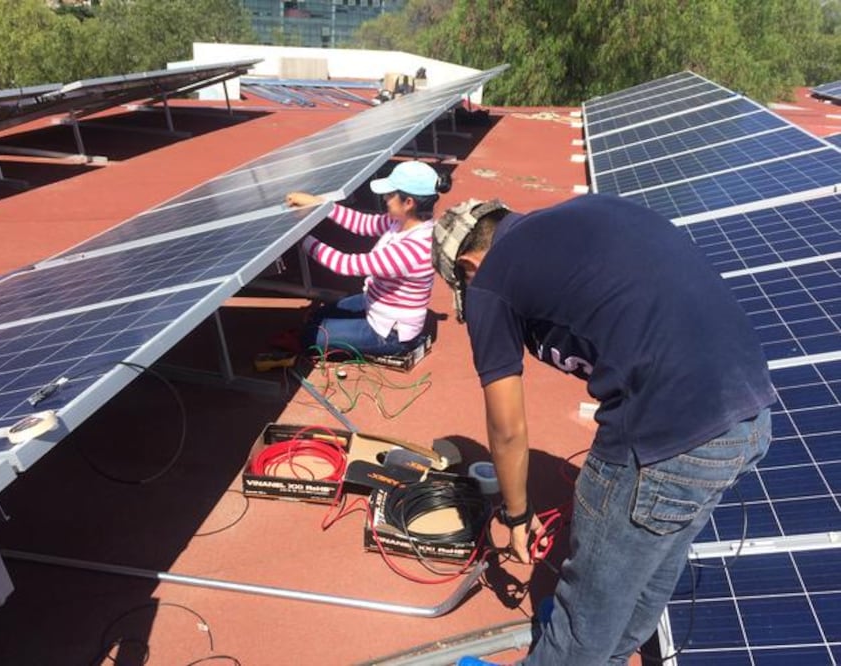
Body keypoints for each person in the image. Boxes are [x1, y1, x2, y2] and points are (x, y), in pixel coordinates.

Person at [432, 194, 776, 665]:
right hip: (750, 419)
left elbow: (507, 427)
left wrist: (516, 516)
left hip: (665, 438)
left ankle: (582, 648)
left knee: (581, 623)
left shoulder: (490, 279)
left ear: (469, 266)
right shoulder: (579, 219)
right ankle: (604, 650)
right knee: (650, 573)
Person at [285, 160, 450, 357]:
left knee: (309, 335)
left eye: (389, 195)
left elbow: (345, 265)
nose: (385, 199)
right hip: (375, 303)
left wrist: (301, 239)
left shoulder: (413, 250)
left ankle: (397, 348)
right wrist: (320, 204)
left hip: (389, 334)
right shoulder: (402, 221)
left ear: (408, 203)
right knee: (316, 315)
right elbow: (363, 224)